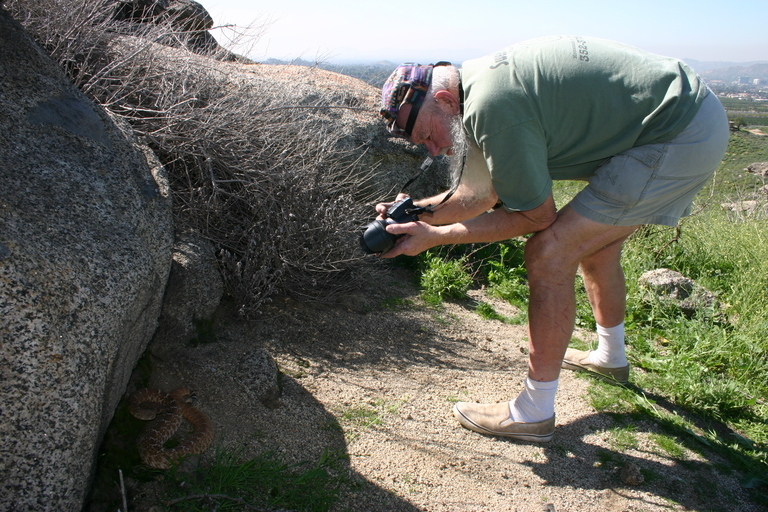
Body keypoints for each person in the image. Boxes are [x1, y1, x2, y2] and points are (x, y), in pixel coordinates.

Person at [376, 36, 729, 442]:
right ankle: (611, 359)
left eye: (426, 134)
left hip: (678, 133)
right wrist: (415, 212)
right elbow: (480, 195)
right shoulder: (472, 94)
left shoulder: (492, 107)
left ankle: (532, 412)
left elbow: (535, 216)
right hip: (684, 116)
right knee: (595, 244)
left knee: (549, 252)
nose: (433, 149)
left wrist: (434, 237)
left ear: (443, 99)